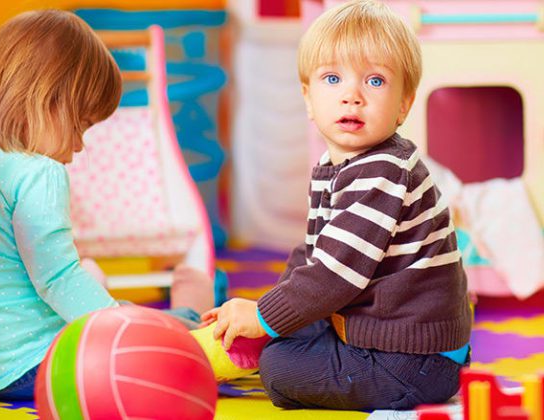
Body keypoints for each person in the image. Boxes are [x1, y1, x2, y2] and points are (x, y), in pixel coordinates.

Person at [201, 0, 472, 411]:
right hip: (385, 339)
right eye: (333, 78)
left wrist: (262, 319)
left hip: (413, 360)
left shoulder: (384, 171)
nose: (352, 96)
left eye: (375, 81)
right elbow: (313, 255)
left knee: (279, 369)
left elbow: (333, 275)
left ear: (404, 104)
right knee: (289, 326)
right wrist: (267, 313)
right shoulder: (336, 166)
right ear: (308, 99)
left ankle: (267, 352)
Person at [0, 10, 213, 400]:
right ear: (47, 101)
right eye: (81, 124)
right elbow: (57, 279)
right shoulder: (40, 172)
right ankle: (195, 308)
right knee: (173, 341)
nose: (78, 146)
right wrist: (123, 327)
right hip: (39, 360)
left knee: (101, 288)